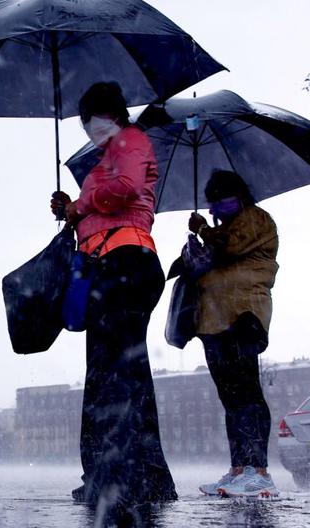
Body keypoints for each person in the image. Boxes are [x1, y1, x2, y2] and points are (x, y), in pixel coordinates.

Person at [51, 82, 177, 510]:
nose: (87, 126)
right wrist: (72, 206)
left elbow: (123, 188)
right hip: (113, 264)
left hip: (125, 262)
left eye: (89, 117)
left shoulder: (129, 139)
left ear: (106, 113)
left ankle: (119, 476)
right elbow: (105, 199)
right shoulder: (113, 150)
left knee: (114, 374)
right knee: (119, 372)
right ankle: (132, 475)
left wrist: (80, 206)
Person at [188, 170, 280, 498]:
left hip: (243, 315)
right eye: (213, 202)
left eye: (220, 200)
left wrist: (202, 229)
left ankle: (259, 471)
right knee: (230, 398)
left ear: (237, 196)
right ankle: (239, 469)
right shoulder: (221, 228)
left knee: (246, 393)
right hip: (213, 321)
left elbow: (229, 249)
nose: (215, 208)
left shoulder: (255, 219)